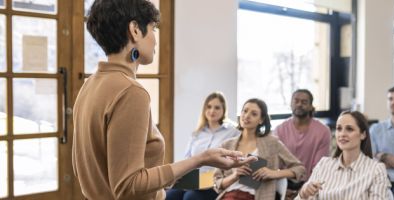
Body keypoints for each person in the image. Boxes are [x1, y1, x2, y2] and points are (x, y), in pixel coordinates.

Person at [72, 1, 256, 199]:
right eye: (153, 29)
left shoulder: (90, 85)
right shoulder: (131, 92)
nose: (155, 39)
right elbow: (128, 185)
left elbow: (82, 166)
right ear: (135, 30)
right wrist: (202, 159)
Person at [214, 98, 306, 200]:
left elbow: (300, 169)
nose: (247, 116)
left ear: (261, 120)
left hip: (257, 196)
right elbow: (217, 184)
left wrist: (272, 173)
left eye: (253, 114)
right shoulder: (226, 145)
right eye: (245, 111)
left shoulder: (272, 143)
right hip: (229, 195)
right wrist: (235, 176)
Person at [295, 111, 390, 200]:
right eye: (339, 129)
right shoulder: (324, 164)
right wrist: (303, 193)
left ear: (363, 134)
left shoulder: (376, 170)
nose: (342, 134)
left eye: (349, 129)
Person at [166, 92, 240, 200]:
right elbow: (188, 158)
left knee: (190, 198)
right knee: (170, 195)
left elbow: (235, 158)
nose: (212, 111)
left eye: (217, 108)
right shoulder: (197, 133)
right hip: (193, 179)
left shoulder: (233, 131)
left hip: (213, 181)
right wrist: (179, 176)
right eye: (209, 107)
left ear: (224, 110)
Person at [273, 89, 331, 191]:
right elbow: (275, 164)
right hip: (283, 185)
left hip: (311, 186)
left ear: (311, 106)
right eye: (296, 101)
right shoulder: (279, 130)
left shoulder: (323, 131)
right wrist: (282, 189)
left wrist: (305, 190)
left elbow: (320, 168)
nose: (299, 104)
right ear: (290, 104)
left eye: (304, 102)